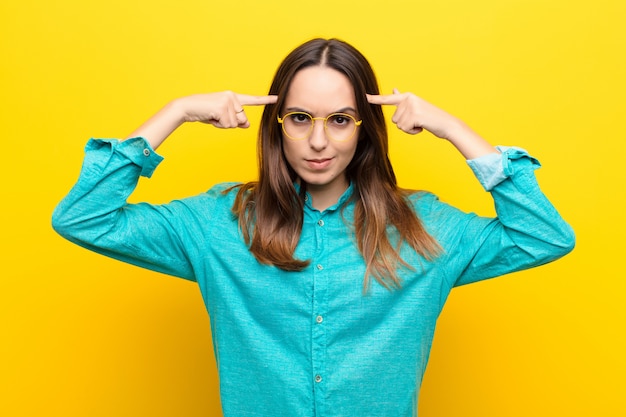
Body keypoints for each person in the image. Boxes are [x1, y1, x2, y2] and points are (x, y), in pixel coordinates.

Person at [52, 38, 575, 416]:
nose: (319, 142)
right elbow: (83, 217)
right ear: (277, 126)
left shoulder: (424, 228)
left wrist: (455, 130)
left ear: (365, 130)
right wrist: (177, 112)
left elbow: (545, 236)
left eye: (340, 120)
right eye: (300, 118)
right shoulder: (217, 223)